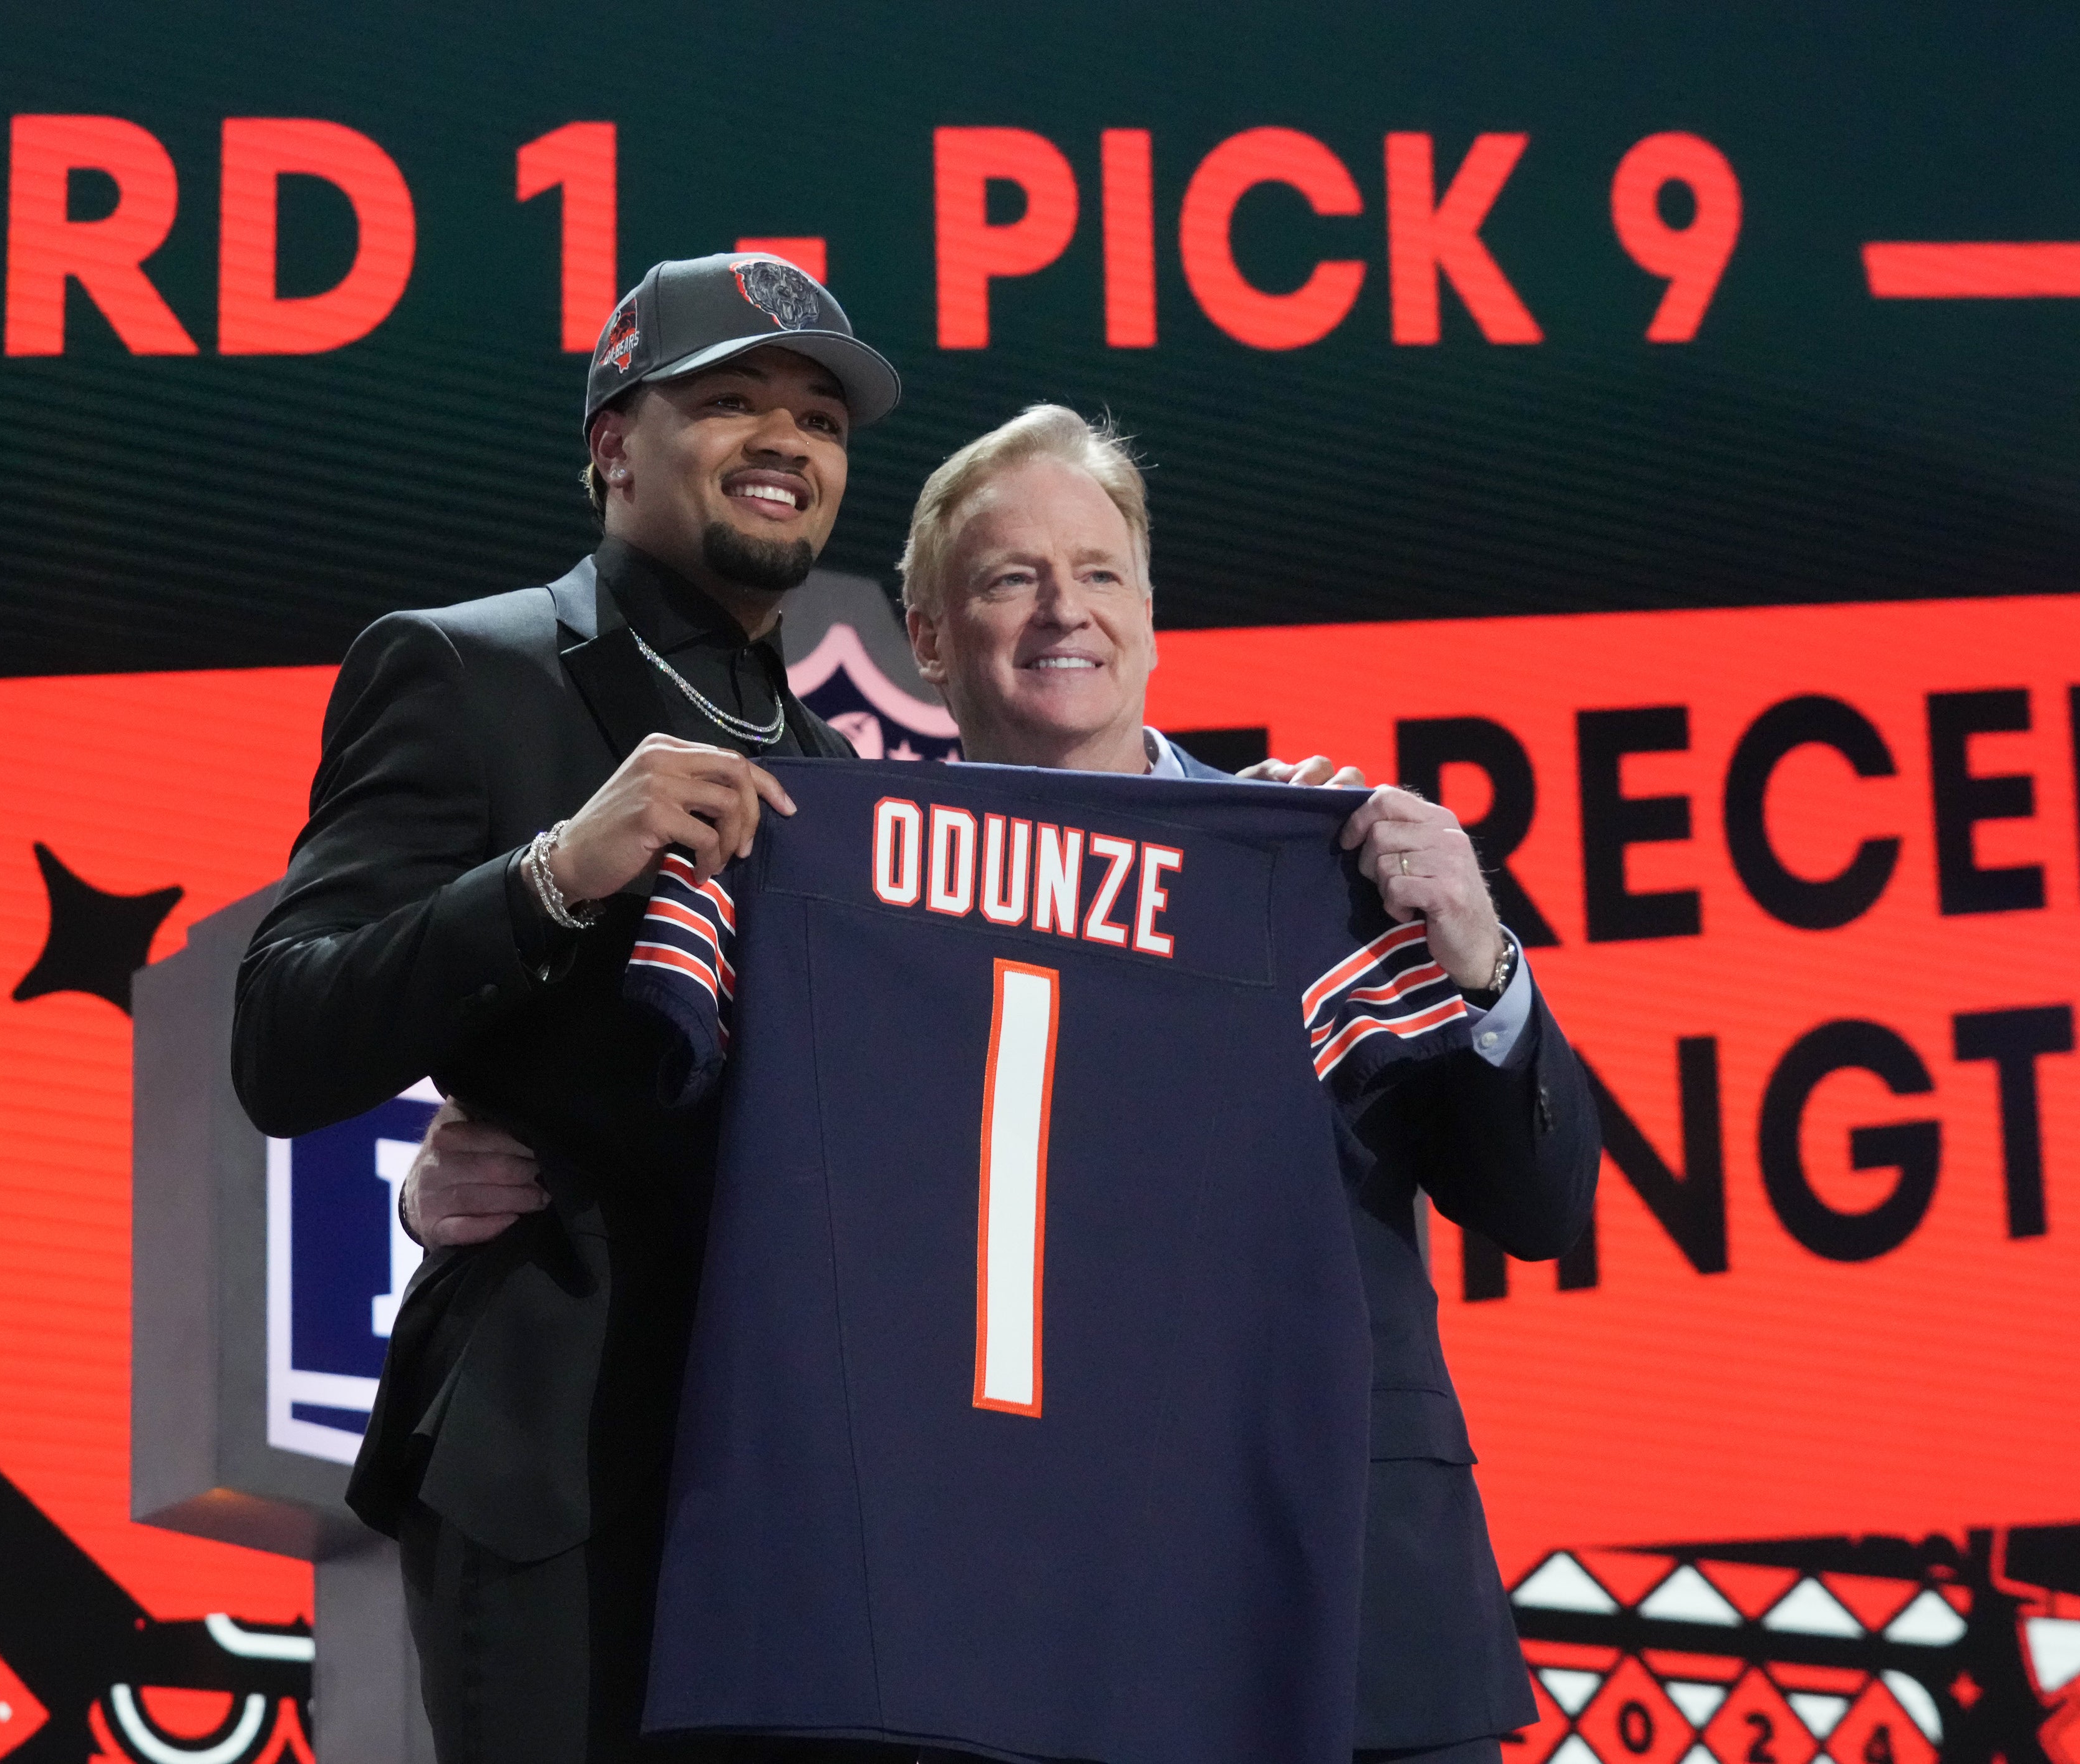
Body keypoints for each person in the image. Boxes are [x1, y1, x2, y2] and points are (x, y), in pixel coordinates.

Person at [404, 406, 1601, 1764]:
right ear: (925, 634)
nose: (1061, 613)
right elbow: (673, 1136)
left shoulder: (1322, 868)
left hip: (1329, 1601)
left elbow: (1543, 1205)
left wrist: (1484, 953)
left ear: (1152, 612)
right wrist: (488, 1166)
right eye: (1009, 578)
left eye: (1098, 573)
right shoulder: (818, 866)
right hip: (972, 1618)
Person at [233, 252, 909, 1764]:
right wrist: (551, 875)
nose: (786, 439)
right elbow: (282, 1038)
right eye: (730, 400)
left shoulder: (846, 790)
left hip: (791, 1485)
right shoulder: (464, 669)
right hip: (553, 1474)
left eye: (820, 416)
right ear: (612, 442)